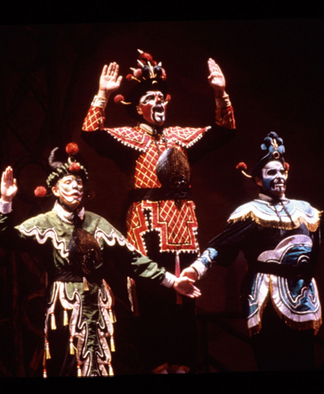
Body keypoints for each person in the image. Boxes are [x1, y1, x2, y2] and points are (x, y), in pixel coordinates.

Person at [81, 50, 236, 373]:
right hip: (146, 226)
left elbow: (223, 131)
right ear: (139, 108)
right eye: (150, 98)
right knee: (150, 300)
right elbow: (91, 134)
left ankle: (183, 365)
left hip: (183, 224)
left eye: (161, 97)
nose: (159, 102)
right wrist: (102, 95)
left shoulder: (181, 138)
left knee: (185, 298)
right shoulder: (129, 139)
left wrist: (220, 92)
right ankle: (156, 365)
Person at [0, 142, 200, 377]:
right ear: (56, 190)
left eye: (79, 183)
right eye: (68, 183)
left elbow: (133, 260)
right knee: (67, 363)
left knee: (102, 364)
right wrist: (6, 201)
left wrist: (172, 281)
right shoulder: (45, 223)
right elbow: (4, 237)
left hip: (99, 304)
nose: (76, 187)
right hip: (65, 304)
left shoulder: (97, 223)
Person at [182, 131, 324, 371]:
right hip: (267, 294)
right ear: (258, 180)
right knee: (272, 359)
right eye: (272, 172)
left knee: (304, 360)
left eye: (282, 171)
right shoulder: (250, 212)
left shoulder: (303, 209)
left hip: (302, 292)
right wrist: (196, 270)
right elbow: (221, 245)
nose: (279, 176)